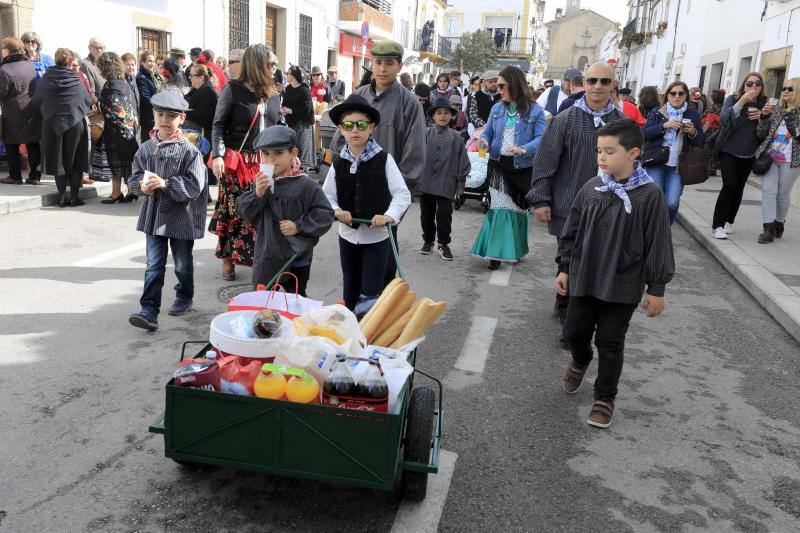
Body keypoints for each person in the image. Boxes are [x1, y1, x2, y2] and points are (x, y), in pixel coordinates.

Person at [558, 119, 675, 429]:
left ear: (633, 153)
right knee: (574, 333)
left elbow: (658, 241)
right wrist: (564, 267)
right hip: (585, 277)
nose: (602, 157)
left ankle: (604, 398)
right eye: (599, 151)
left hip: (622, 283)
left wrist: (657, 288)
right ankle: (581, 359)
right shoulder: (592, 187)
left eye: (610, 151)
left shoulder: (648, 195)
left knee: (611, 342)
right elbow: (571, 231)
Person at [528, 61, 625, 328]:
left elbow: (633, 167)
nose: (597, 86)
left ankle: (586, 310)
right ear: (583, 83)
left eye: (604, 81)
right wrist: (541, 199)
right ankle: (566, 310)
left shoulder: (623, 125)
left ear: (612, 85)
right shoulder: (564, 120)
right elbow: (546, 160)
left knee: (598, 261)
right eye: (592, 81)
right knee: (568, 258)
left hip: (610, 208)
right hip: (569, 205)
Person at [329, 39, 426, 288]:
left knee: (381, 271)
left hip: (385, 202)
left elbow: (414, 157)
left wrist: (394, 204)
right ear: (371, 63)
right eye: (378, 62)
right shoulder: (357, 97)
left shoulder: (410, 104)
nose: (382, 69)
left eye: (389, 63)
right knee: (351, 271)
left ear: (399, 66)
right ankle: (355, 318)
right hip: (353, 198)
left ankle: (378, 321)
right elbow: (339, 144)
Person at [127, 90, 208, 331]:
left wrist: (166, 184)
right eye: (160, 114)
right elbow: (134, 177)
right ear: (153, 114)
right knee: (154, 264)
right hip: (155, 217)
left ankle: (184, 294)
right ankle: (149, 310)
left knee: (182, 263)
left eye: (171, 116)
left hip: (182, 217)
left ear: (181, 119)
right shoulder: (145, 149)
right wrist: (140, 186)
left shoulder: (190, 151)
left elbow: (195, 185)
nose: (164, 120)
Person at [322, 94, 411, 311]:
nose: (355, 130)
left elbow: (402, 194)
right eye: (348, 125)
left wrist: (388, 215)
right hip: (348, 237)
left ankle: (369, 334)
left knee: (371, 291)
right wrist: (336, 211)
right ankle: (353, 331)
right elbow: (326, 196)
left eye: (361, 125)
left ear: (371, 127)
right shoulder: (339, 162)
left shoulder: (384, 159)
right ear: (341, 129)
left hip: (377, 239)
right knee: (350, 289)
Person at [209, 44, 282, 281]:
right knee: (235, 212)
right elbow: (218, 124)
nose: (274, 69)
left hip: (265, 163)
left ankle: (262, 259)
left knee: (264, 213)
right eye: (271, 64)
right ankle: (229, 260)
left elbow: (279, 127)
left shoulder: (274, 95)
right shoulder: (232, 90)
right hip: (238, 164)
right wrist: (218, 155)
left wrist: (291, 153)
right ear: (258, 64)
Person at [237, 125, 334, 293]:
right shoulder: (260, 182)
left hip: (297, 259)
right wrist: (257, 194)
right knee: (264, 303)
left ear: (294, 154)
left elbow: (325, 214)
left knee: (294, 303)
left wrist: (298, 226)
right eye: (266, 154)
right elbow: (244, 213)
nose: (271, 159)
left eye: (279, 153)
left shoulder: (306, 185)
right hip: (267, 257)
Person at [472, 66, 547, 270]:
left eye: (502, 85)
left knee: (518, 210)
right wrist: (484, 142)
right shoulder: (497, 109)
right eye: (497, 85)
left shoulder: (535, 111)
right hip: (498, 165)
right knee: (499, 208)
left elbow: (542, 138)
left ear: (514, 85)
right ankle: (495, 253)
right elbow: (487, 132)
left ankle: (515, 249)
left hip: (522, 168)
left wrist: (523, 149)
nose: (499, 89)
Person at [711, 72, 769, 239]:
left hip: (749, 154)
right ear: (743, 85)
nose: (753, 87)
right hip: (728, 151)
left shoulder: (764, 104)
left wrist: (762, 117)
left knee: (739, 188)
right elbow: (724, 120)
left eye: (757, 84)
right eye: (749, 83)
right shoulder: (733, 99)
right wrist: (742, 101)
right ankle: (718, 225)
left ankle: (729, 221)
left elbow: (766, 131)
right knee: (729, 185)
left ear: (761, 87)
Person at [31, 48, 92, 206]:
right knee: (76, 159)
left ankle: (62, 197)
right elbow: (86, 100)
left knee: (58, 159)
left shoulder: (46, 78)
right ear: (70, 61)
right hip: (75, 122)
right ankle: (74, 197)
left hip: (51, 124)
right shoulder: (76, 77)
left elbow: (37, 100)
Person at [642, 80, 703, 225]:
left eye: (680, 93)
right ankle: (653, 232)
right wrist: (663, 126)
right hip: (656, 163)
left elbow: (700, 140)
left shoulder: (693, 114)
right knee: (656, 201)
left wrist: (693, 132)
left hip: (678, 166)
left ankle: (665, 229)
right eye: (673, 93)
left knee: (671, 203)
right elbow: (644, 133)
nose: (677, 96)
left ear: (686, 95)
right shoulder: (658, 112)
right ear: (667, 95)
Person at [419, 98, 471, 260]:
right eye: (439, 113)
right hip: (426, 181)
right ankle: (428, 241)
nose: (442, 116)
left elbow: (463, 161)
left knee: (444, 215)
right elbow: (416, 155)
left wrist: (461, 183)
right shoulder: (425, 134)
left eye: (446, 113)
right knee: (426, 215)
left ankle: (443, 243)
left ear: (452, 116)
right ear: (433, 117)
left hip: (446, 181)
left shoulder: (456, 138)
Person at [753, 78, 800, 244]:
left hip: (791, 161)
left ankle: (779, 222)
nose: (785, 91)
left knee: (782, 194)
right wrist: (764, 116)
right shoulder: (777, 109)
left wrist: (793, 120)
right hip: (770, 158)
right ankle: (768, 229)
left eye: (790, 89)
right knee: (769, 192)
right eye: (784, 88)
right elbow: (761, 133)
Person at [97, 52, 140, 204]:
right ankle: (129, 190)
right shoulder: (124, 83)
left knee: (115, 161)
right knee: (127, 161)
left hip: (116, 130)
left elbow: (111, 109)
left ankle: (116, 192)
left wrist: (99, 103)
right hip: (129, 129)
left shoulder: (110, 85)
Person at [0, 37, 42, 185]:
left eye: (2, 49)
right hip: (32, 110)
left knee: (11, 144)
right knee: (33, 143)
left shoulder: (4, 69)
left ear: (7, 50)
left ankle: (15, 176)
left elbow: (2, 94)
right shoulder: (29, 65)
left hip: (13, 113)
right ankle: (35, 176)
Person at [282, 65, 316, 170]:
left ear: (293, 76)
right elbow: (285, 104)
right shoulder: (287, 89)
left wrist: (292, 111)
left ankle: (304, 176)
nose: (286, 75)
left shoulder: (304, 89)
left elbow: (308, 109)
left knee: (304, 153)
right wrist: (284, 110)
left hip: (303, 125)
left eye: (288, 73)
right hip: (291, 124)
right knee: (293, 151)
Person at [185, 63, 218, 139]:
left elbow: (202, 117)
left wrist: (184, 111)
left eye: (192, 75)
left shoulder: (208, 92)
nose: (189, 77)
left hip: (202, 135)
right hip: (195, 131)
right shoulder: (197, 89)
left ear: (201, 78)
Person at [136, 52, 160, 143]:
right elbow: (145, 99)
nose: (152, 63)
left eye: (154, 61)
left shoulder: (151, 75)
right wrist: (160, 105)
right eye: (149, 61)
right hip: (148, 117)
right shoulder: (141, 77)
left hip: (153, 115)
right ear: (142, 62)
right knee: (148, 144)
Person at [702, 89, 725, 174]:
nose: (710, 96)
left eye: (712, 95)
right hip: (720, 130)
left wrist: (702, 131)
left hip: (710, 130)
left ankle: (709, 168)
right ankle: (713, 168)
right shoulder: (724, 106)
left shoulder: (713, 107)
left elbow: (708, 119)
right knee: (715, 148)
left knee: (708, 148)